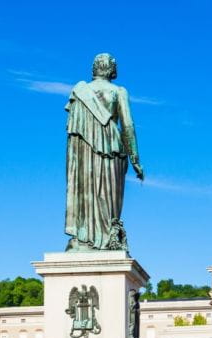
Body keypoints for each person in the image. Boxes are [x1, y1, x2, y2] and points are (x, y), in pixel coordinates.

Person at [64, 53, 144, 251]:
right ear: (111, 69)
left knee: (84, 190)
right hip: (111, 149)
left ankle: (83, 236)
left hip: (83, 153)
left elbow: (72, 135)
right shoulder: (118, 91)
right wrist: (135, 159)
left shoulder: (79, 92)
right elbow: (128, 125)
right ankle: (105, 238)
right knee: (108, 196)